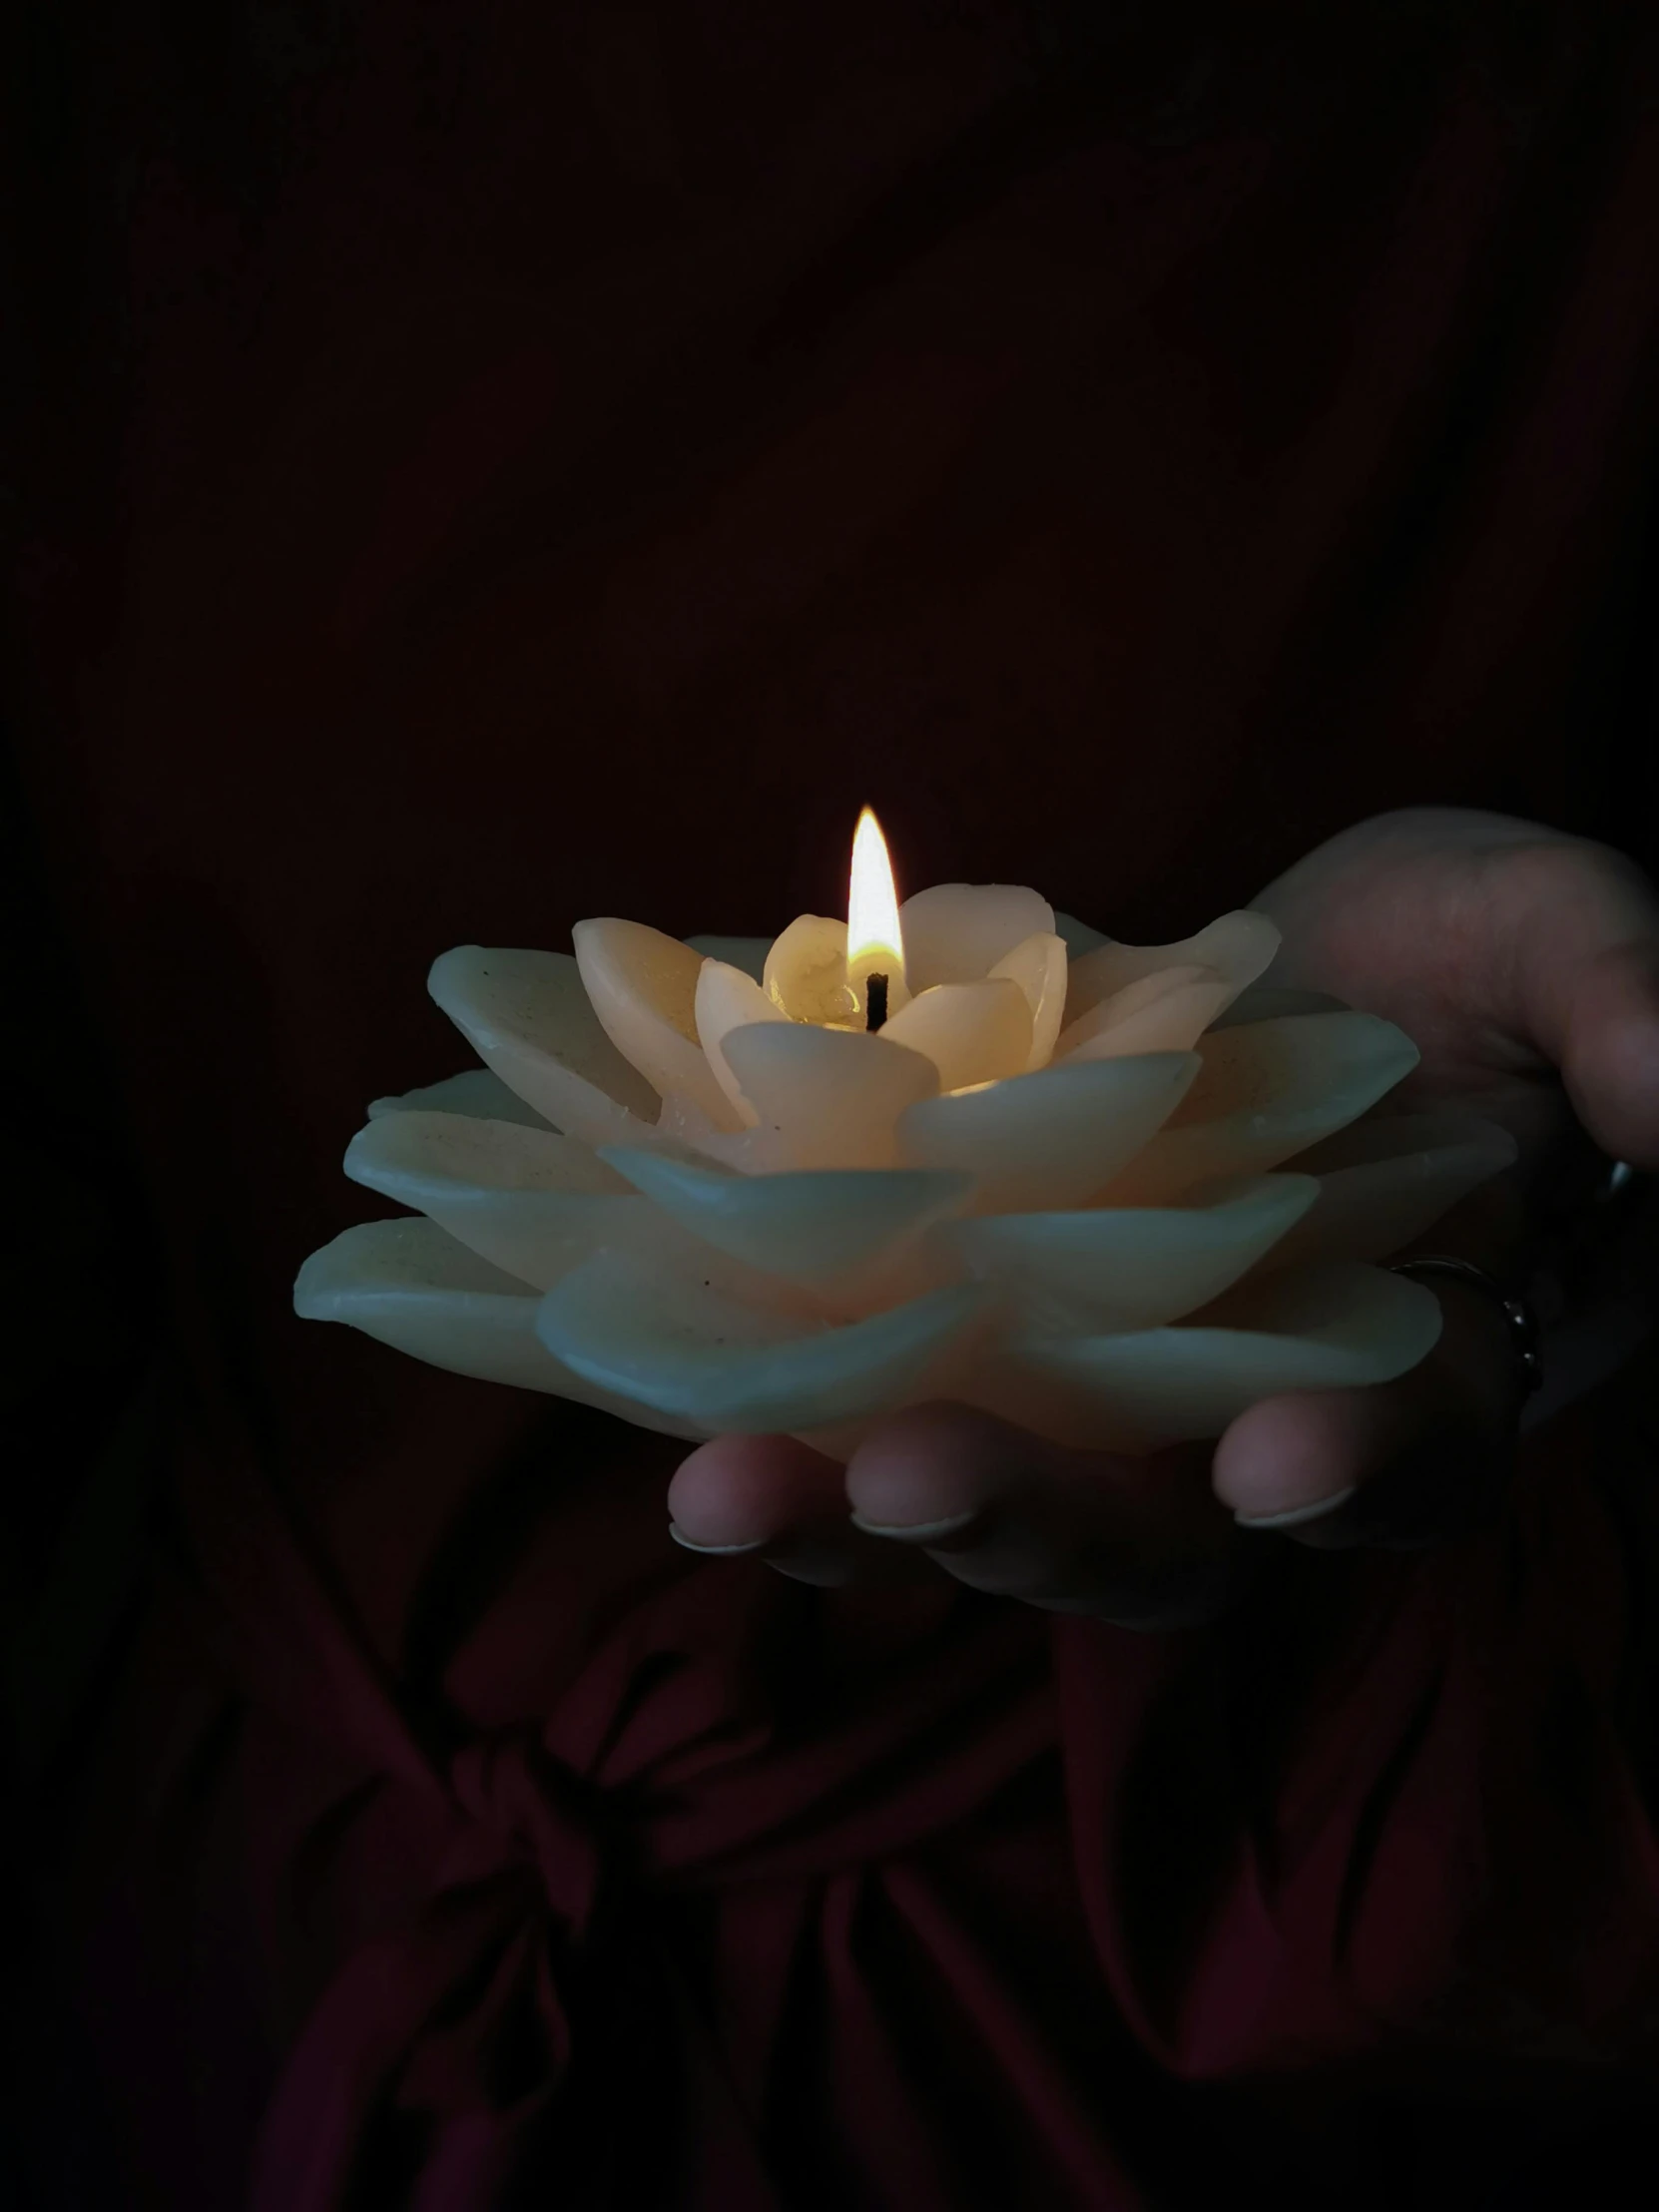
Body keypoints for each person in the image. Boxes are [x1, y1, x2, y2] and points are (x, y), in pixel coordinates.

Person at [5, 3, 1659, 2205]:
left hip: (1169, 1984)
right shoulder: (113, 120)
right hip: (275, 1947)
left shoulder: (1535, 130)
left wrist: (1589, 1249)